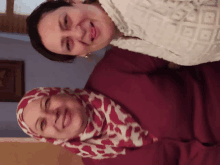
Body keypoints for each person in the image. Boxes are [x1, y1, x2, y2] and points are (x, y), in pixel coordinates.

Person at [17, 47, 220, 164]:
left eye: (47, 103)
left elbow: (172, 40)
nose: (52, 116)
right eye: (42, 125)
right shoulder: (94, 163)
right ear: (51, 139)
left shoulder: (110, 72)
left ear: (59, 92)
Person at [27, 0, 220, 65]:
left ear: (74, 1)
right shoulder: (123, 39)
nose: (78, 33)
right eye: (68, 44)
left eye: (66, 21)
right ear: (80, 54)